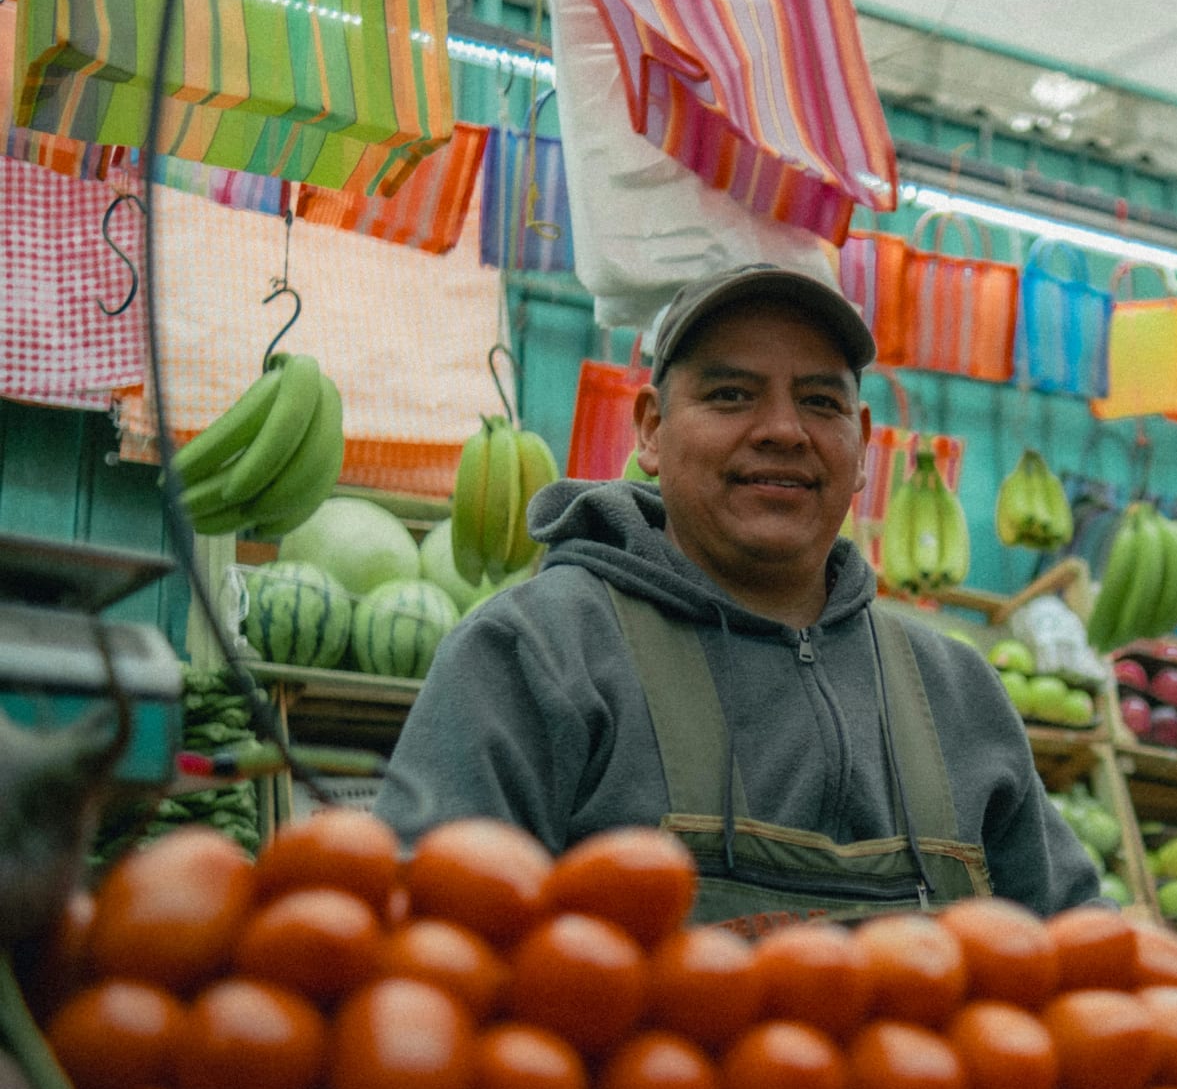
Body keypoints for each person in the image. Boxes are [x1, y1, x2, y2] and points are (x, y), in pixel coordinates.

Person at [376, 264, 1101, 927]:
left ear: (863, 444)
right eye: (731, 396)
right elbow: (430, 949)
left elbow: (1080, 959)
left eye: (820, 402)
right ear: (653, 430)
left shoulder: (957, 693)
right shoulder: (540, 651)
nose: (784, 431)